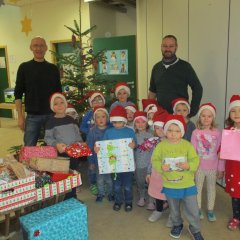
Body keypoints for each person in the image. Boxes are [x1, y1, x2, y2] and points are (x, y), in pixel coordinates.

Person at [152, 114, 204, 240]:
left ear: (182, 132)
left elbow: (195, 160)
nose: (173, 134)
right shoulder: (161, 146)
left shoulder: (187, 145)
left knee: (193, 209)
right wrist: (161, 167)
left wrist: (189, 165)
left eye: (177, 131)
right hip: (170, 184)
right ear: (165, 131)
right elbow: (155, 160)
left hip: (187, 184)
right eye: (170, 130)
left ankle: (195, 229)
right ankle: (177, 225)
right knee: (174, 209)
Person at [14, 36, 62, 146]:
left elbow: (59, 94)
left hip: (51, 115)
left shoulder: (53, 69)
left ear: (45, 48)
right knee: (29, 148)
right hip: (32, 117)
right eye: (35, 45)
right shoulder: (24, 67)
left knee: (52, 147)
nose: (38, 48)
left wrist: (60, 114)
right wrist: (20, 117)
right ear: (31, 48)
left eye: (41, 46)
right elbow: (18, 94)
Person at [148, 35, 203, 118]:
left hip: (179, 116)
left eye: (171, 46)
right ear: (161, 47)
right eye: (165, 46)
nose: (167, 49)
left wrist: (192, 110)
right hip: (160, 116)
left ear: (176, 47)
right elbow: (152, 92)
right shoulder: (156, 67)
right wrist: (149, 109)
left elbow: (198, 88)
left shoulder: (185, 66)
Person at [44, 92, 84, 199]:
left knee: (73, 175)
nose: (60, 105)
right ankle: (64, 198)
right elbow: (48, 138)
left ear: (66, 104)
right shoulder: (51, 122)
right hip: (61, 155)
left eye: (62, 102)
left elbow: (77, 134)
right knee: (63, 177)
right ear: (53, 107)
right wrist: (56, 145)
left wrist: (80, 143)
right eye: (56, 104)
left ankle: (73, 197)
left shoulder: (71, 120)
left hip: (74, 154)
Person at [191, 103, 224, 222]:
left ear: (213, 118)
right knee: (198, 188)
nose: (206, 118)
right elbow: (192, 152)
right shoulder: (195, 133)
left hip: (213, 167)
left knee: (211, 188)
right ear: (199, 117)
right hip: (199, 167)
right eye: (203, 116)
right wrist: (192, 168)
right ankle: (198, 208)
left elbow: (221, 153)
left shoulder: (218, 133)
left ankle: (210, 210)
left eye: (209, 116)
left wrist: (221, 169)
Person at [102, 105, 136, 212]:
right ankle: (118, 201)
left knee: (128, 186)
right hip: (114, 165)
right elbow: (103, 146)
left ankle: (129, 202)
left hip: (127, 165)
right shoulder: (108, 132)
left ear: (124, 121)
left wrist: (133, 145)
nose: (117, 124)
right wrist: (98, 148)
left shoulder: (130, 131)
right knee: (116, 186)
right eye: (114, 122)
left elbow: (135, 144)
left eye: (119, 122)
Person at [80, 90, 106, 196]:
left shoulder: (105, 113)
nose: (97, 102)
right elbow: (82, 127)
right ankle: (93, 183)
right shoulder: (88, 115)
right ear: (91, 103)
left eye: (99, 100)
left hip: (103, 144)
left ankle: (103, 182)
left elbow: (109, 125)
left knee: (103, 163)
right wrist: (90, 132)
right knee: (92, 165)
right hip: (91, 142)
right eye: (94, 100)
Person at [146, 110, 170, 222]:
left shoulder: (173, 142)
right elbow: (150, 159)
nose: (159, 131)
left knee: (171, 193)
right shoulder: (154, 142)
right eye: (156, 128)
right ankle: (158, 210)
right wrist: (148, 172)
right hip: (156, 173)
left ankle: (173, 214)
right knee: (157, 192)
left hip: (170, 173)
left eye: (161, 128)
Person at [87, 107, 114, 203]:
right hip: (98, 161)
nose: (101, 119)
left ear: (107, 118)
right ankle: (101, 194)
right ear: (94, 120)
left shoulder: (111, 129)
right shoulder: (92, 131)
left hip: (111, 160)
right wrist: (91, 162)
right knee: (100, 180)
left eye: (103, 117)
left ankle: (111, 194)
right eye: (98, 117)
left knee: (110, 180)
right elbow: (89, 148)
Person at [224, 95, 240, 230]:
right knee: (235, 194)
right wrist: (220, 151)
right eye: (233, 111)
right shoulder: (228, 131)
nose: (237, 114)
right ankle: (236, 217)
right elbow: (223, 146)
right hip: (233, 168)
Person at [133, 111, 153, 208]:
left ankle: (151, 200)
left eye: (143, 122)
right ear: (134, 124)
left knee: (150, 183)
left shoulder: (151, 136)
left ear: (147, 123)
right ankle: (142, 196)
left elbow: (154, 150)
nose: (140, 124)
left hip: (149, 164)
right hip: (138, 164)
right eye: (137, 122)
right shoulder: (133, 136)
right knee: (140, 182)